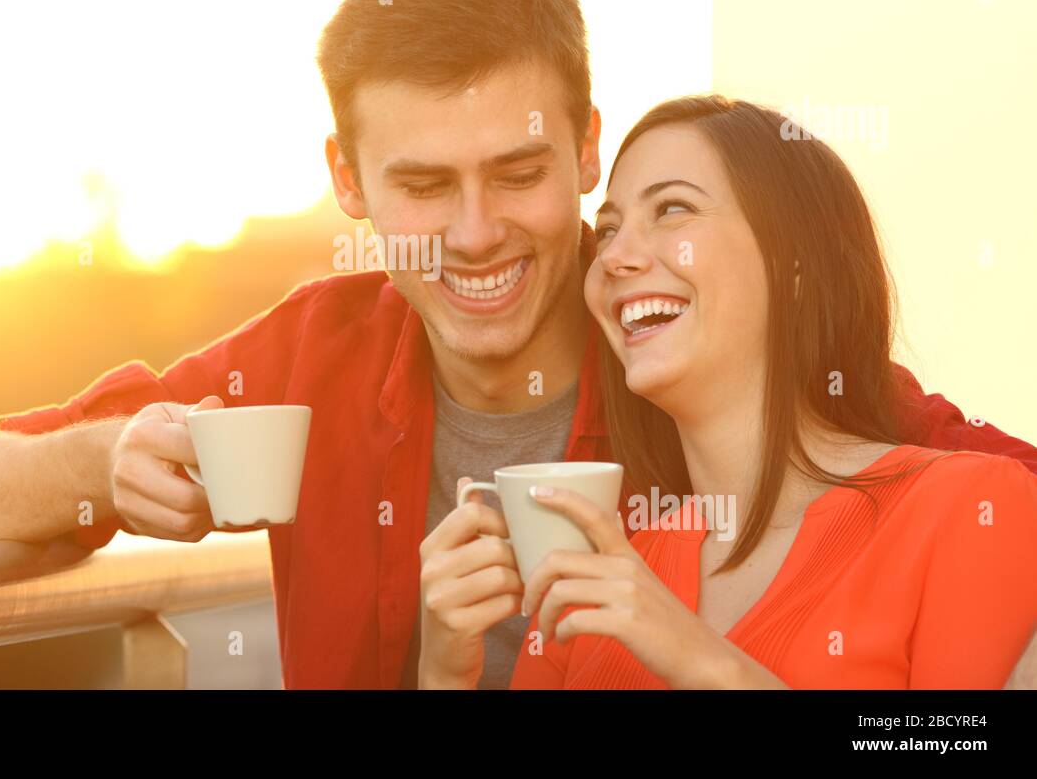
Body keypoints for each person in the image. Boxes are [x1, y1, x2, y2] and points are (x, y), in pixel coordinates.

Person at [0, 0, 1037, 689]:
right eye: (426, 185)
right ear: (349, 180)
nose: (478, 231)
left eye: (520, 170)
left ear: (587, 143)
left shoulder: (689, 338)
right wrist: (106, 460)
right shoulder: (305, 357)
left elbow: (962, 494)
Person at [431, 94, 1035, 689]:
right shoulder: (601, 580)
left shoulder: (975, 506)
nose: (614, 256)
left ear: (794, 262)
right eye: (609, 228)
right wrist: (442, 675)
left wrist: (704, 662)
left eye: (671, 210)